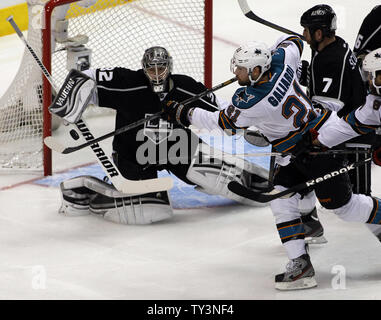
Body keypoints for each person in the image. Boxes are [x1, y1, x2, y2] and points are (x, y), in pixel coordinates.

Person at [160, 34, 381, 290]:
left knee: (344, 208)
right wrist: (273, 54)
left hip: (319, 146)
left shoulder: (254, 101)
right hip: (299, 146)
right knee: (281, 199)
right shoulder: (284, 61)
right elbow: (293, 41)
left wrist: (182, 112)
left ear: (256, 70)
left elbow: (221, 123)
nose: (237, 72)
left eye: (242, 69)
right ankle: (300, 264)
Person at [49, 46, 269, 225]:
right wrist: (68, 101)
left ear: (169, 67)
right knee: (153, 209)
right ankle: (92, 191)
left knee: (208, 173)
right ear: (144, 69)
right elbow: (86, 78)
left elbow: (221, 110)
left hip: (174, 148)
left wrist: (248, 125)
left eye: (160, 68)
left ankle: (243, 176)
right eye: (151, 69)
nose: (156, 73)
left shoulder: (185, 87)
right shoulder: (128, 82)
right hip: (132, 155)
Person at [296, 4, 368, 244]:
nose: (303, 35)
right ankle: (309, 221)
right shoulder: (331, 47)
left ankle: (309, 222)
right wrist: (308, 78)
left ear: (319, 33)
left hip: (352, 133)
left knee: (355, 201)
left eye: (306, 31)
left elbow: (328, 109)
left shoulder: (329, 59)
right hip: (350, 125)